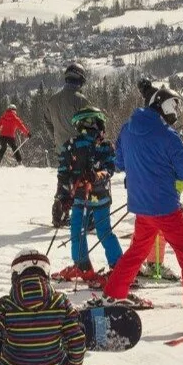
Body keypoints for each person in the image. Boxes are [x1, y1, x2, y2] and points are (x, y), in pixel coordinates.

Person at [101, 82, 183, 331]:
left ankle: (113, 294)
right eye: (173, 104)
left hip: (142, 207)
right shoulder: (168, 136)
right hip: (166, 208)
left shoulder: (127, 129)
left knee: (136, 251)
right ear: (160, 104)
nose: (175, 110)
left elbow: (120, 163)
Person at [0, 251, 87, 365]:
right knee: (73, 330)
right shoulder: (60, 301)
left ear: (15, 275)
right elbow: (77, 341)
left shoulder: (6, 304)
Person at [55, 107, 121, 282]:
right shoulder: (77, 145)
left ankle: (87, 266)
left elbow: (110, 168)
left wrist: (64, 195)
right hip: (86, 197)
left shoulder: (99, 146)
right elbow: (64, 172)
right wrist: (64, 196)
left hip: (93, 196)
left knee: (81, 232)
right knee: (98, 231)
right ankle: (110, 267)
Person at [38, 65, 91, 225]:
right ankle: (86, 218)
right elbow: (90, 123)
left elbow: (47, 120)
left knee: (63, 179)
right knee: (82, 181)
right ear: (80, 79)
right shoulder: (80, 100)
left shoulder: (53, 99)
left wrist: (55, 136)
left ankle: (59, 213)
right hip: (79, 149)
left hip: (61, 147)